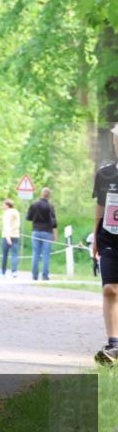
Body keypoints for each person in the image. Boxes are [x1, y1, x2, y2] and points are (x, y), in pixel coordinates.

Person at [91, 123, 118, 367]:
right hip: (109, 239)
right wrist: (95, 236)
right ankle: (113, 345)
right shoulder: (105, 174)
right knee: (110, 289)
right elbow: (101, 206)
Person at [27, 187, 58, 280]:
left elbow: (29, 217)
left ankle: (34, 275)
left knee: (35, 253)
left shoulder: (34, 204)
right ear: (49, 196)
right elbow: (53, 222)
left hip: (36, 231)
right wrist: (55, 234)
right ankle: (45, 275)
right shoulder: (50, 206)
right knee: (46, 254)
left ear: (41, 194)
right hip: (47, 232)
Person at [0, 199, 20, 277]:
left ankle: (3, 272)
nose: (2, 206)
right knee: (14, 254)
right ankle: (14, 271)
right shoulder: (16, 212)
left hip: (6, 236)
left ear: (7, 205)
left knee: (5, 255)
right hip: (15, 235)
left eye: (3, 205)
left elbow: (6, 225)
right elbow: (17, 224)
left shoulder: (6, 213)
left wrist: (8, 236)